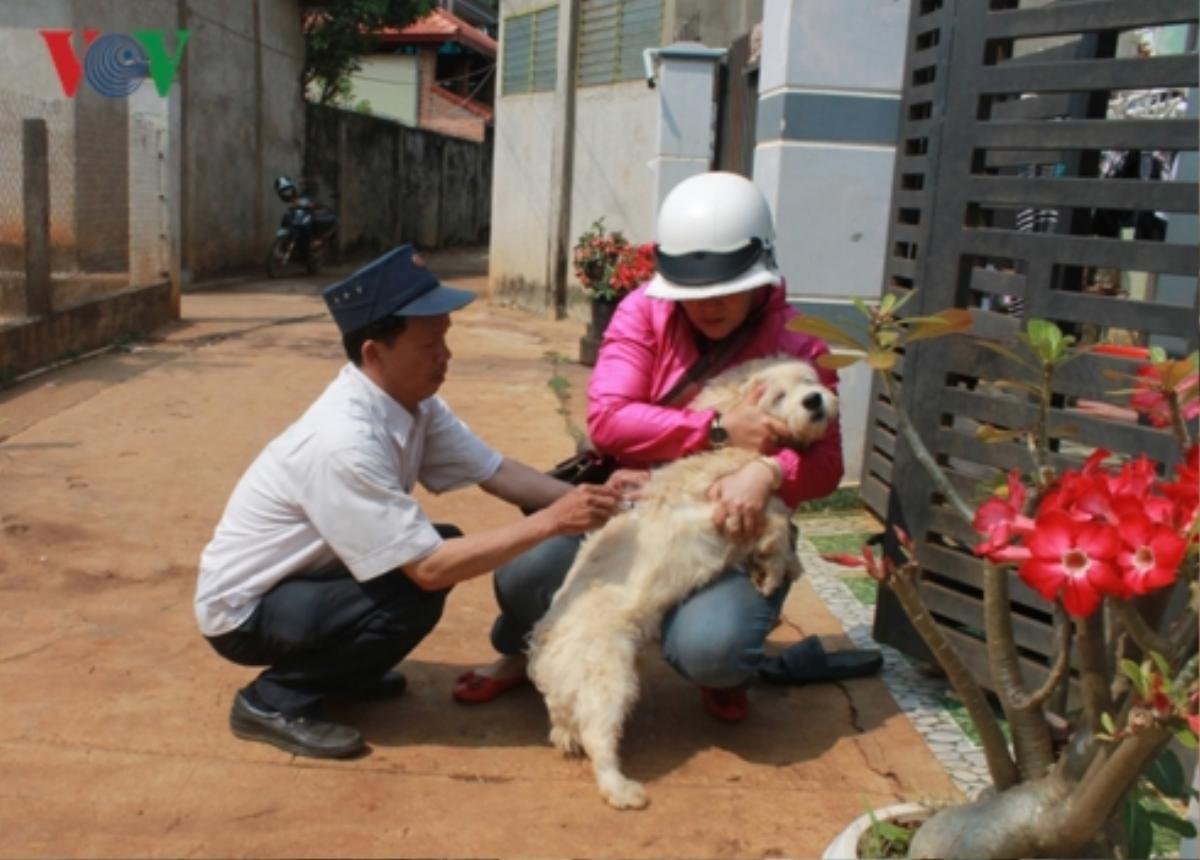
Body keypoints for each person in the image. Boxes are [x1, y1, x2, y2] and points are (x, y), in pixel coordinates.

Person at [195, 245, 641, 759]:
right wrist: (551, 524)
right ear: (373, 353)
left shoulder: (417, 404)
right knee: (419, 584)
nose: (445, 354)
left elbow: (498, 473)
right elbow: (428, 570)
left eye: (445, 338)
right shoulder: (343, 440)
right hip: (248, 611)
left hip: (308, 582)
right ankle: (273, 699)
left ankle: (344, 674)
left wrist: (600, 502)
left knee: (442, 546)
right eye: (429, 343)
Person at [454, 172, 847, 722]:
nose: (708, 306)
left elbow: (828, 466)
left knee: (714, 649)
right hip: (636, 509)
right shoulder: (644, 312)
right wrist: (715, 430)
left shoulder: (800, 345)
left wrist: (768, 473)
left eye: (726, 290)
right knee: (523, 576)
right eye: (693, 294)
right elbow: (608, 420)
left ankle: (722, 663)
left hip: (733, 530)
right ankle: (523, 652)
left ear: (760, 274)